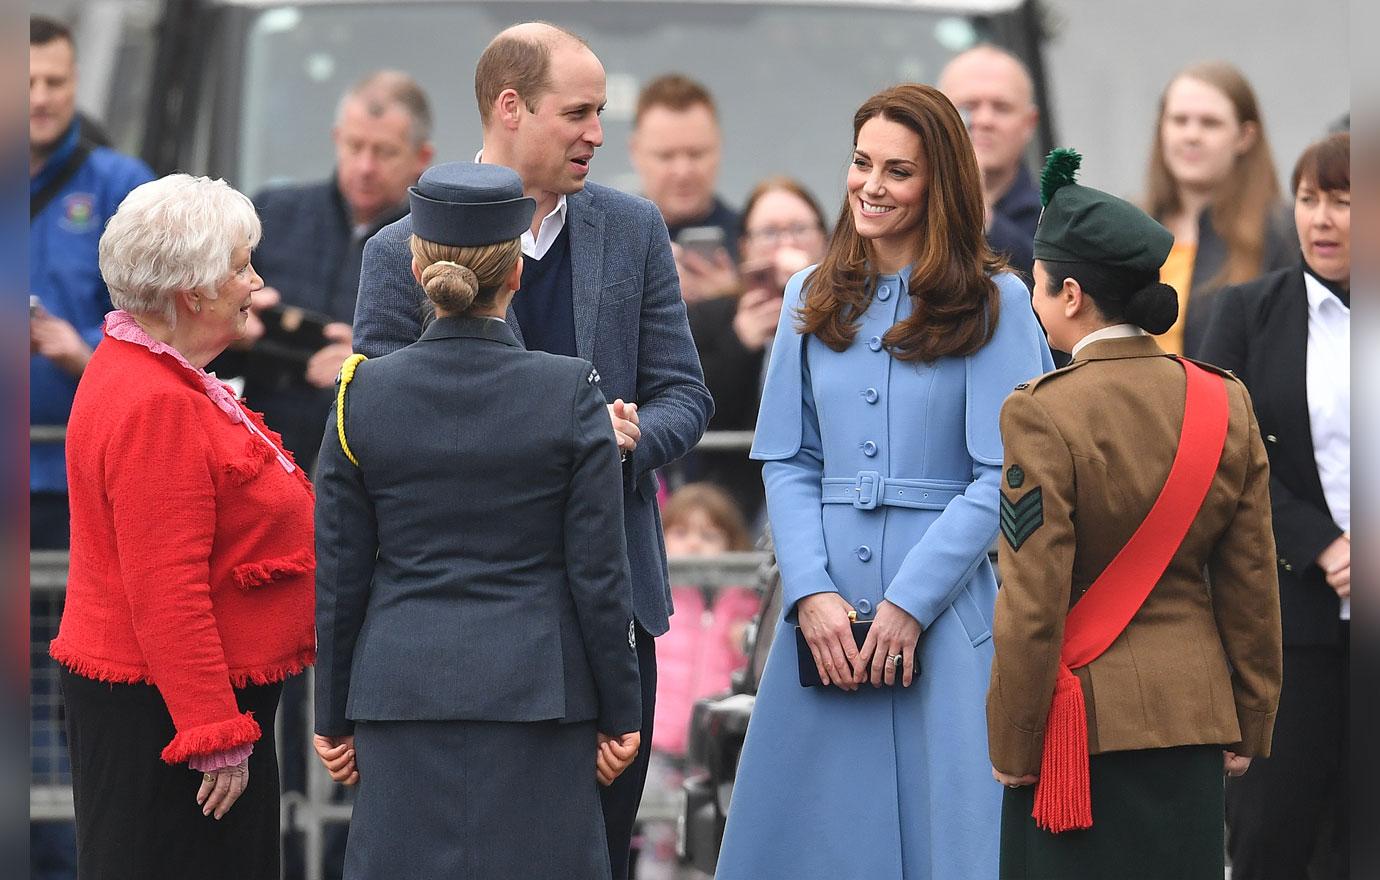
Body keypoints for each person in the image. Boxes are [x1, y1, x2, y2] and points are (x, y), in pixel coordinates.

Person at [349, 23, 712, 880]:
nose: (597, 134)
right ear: (511, 108)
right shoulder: (393, 252)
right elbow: (374, 430)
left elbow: (686, 398)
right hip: (458, 628)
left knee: (592, 857)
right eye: (579, 113)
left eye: (600, 114)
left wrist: (623, 441)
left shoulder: (632, 229)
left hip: (605, 616)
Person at [715, 83, 1053, 880]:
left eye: (897, 171)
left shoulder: (997, 301)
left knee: (954, 846)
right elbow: (788, 461)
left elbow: (1003, 472)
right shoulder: (809, 294)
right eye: (861, 162)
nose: (870, 185)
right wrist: (812, 593)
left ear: (941, 184)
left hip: (947, 620)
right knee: (812, 846)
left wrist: (909, 602)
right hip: (821, 624)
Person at [311, 161, 642, 879]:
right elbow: (598, 572)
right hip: (540, 699)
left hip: (399, 697)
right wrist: (621, 711)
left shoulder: (359, 394)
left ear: (415, 263)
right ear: (515, 273)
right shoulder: (570, 391)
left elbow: (338, 576)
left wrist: (330, 715)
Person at [987, 149, 1282, 879]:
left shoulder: (1041, 411)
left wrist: (1015, 744)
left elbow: (1032, 602)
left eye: (1040, 283)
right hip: (1196, 718)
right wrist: (1252, 715)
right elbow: (1250, 584)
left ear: (1073, 294)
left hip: (1076, 734)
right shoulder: (1224, 400)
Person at [50, 174, 316, 879]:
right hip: (172, 716)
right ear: (191, 293)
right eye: (240, 267)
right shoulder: (155, 402)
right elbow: (166, 585)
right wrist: (214, 732)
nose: (256, 283)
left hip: (172, 699)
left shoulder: (150, 372)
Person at [1200, 132, 1350, 880]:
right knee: (1271, 840)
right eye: (1309, 199)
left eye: (1347, 203)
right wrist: (1325, 544)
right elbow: (1225, 453)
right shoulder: (1247, 311)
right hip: (1290, 627)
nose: (1322, 219)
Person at [229, 70, 434, 473]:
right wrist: (230, 323)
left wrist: (369, 365)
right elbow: (198, 348)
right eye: (355, 146)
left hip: (375, 467)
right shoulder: (273, 214)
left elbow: (455, 363)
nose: (365, 166)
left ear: (422, 159)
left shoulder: (436, 242)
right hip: (264, 456)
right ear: (336, 138)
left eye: (385, 151)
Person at [29, 14, 154, 549]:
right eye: (24, 82)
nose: (39, 98)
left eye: (54, 82)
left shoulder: (122, 185)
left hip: (80, 475)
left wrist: (77, 347)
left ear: (75, 81)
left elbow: (161, 322)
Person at [686, 177, 830, 522]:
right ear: (744, 246)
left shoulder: (849, 316)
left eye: (798, 229)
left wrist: (816, 311)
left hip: (825, 494)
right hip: (736, 506)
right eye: (768, 233)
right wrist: (739, 345)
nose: (785, 243)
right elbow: (692, 412)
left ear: (824, 242)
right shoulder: (711, 316)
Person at [641, 483, 759, 878]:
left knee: (709, 847)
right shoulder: (656, 597)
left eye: (709, 536)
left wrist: (745, 637)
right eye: (682, 533)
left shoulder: (743, 603)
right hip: (658, 746)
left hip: (712, 752)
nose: (694, 545)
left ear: (732, 544)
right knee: (657, 846)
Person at [1143, 61, 1296, 357]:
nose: (1191, 135)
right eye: (1179, 120)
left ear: (1245, 137)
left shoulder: (1281, 233)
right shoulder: (1131, 227)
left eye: (1210, 123)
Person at [630, 74, 741, 303]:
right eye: (666, 156)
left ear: (718, 148)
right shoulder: (610, 245)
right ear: (635, 152)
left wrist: (734, 299)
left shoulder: (752, 242)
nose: (683, 172)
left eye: (696, 154)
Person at [938, 44, 1041, 278]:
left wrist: (982, 216)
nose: (983, 120)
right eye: (967, 107)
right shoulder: (905, 204)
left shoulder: (1058, 220)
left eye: (1001, 108)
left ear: (1029, 124)